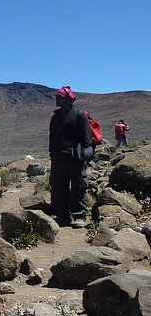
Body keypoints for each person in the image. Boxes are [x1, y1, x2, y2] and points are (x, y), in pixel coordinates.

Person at [49, 86, 92, 228]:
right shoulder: (55, 117)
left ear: (67, 99)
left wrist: (84, 156)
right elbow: (52, 138)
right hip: (58, 158)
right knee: (58, 187)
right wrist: (52, 154)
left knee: (78, 186)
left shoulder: (80, 115)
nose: (56, 99)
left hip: (75, 158)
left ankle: (79, 215)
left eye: (59, 97)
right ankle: (62, 216)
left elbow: (87, 139)